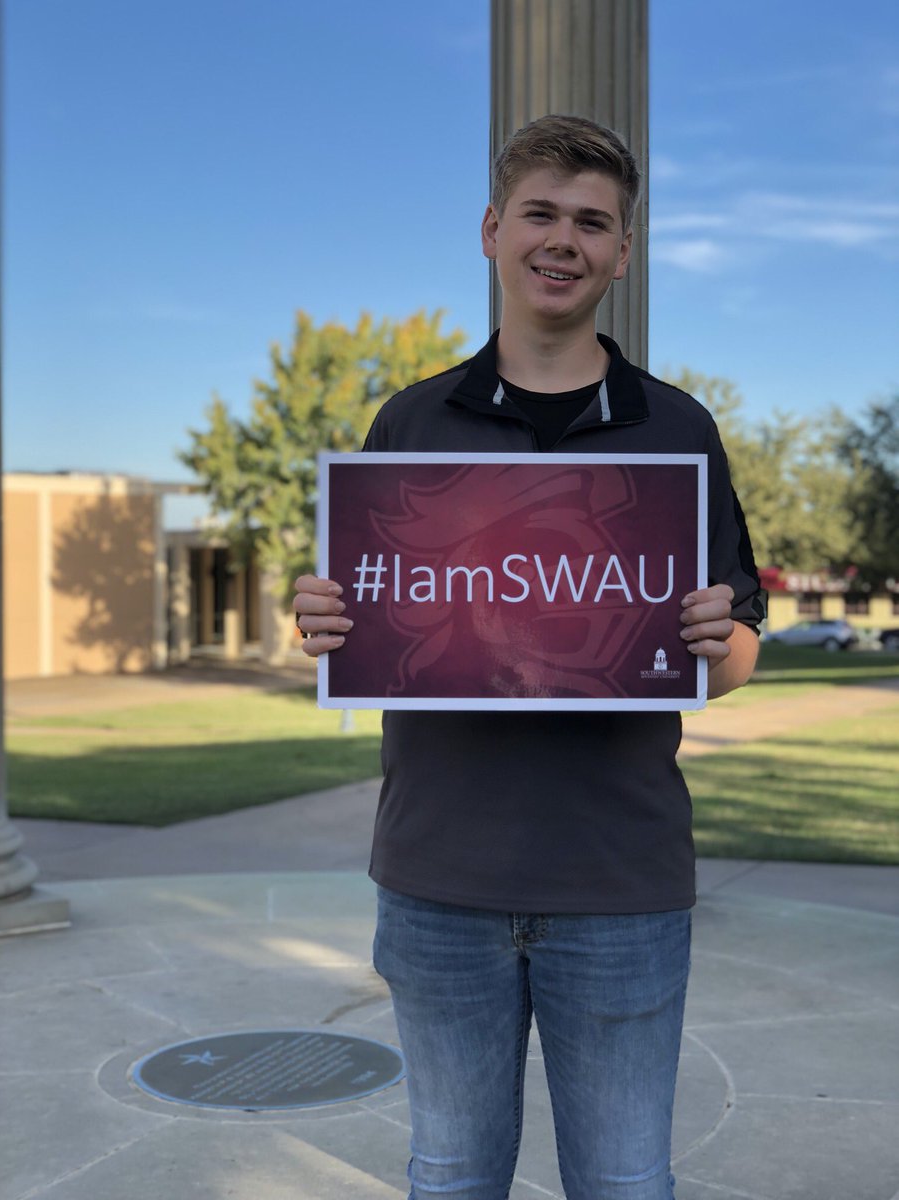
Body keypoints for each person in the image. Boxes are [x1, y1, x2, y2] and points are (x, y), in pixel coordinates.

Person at [294, 115, 765, 1200]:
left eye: (593, 223)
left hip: (620, 880)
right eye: (540, 214)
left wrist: (717, 641)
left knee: (625, 1182)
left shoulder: (677, 430)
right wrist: (325, 622)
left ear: (623, 253)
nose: (564, 240)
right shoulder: (411, 423)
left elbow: (738, 647)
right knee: (452, 1176)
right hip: (438, 877)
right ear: (492, 231)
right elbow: (370, 618)